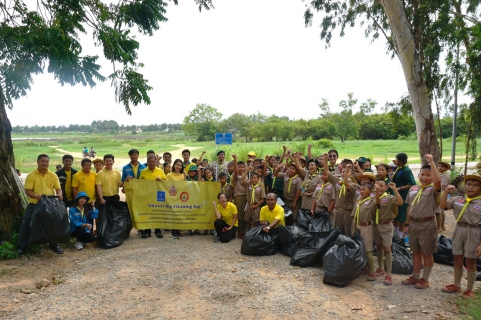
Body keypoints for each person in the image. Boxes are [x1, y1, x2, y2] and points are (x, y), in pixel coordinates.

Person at [401, 154, 441, 289]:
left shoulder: (432, 190)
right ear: (418, 175)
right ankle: (416, 276)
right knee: (415, 251)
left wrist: (432, 162)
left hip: (427, 224)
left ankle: (425, 279)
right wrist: (407, 224)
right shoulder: (413, 189)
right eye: (422, 174)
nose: (424, 177)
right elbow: (409, 207)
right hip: (413, 223)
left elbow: (438, 182)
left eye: (428, 175)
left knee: (426, 252)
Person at [440, 174, 481, 298]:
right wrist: (446, 191)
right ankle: (457, 285)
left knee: (470, 261)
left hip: (474, 231)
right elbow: (443, 206)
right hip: (459, 229)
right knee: (457, 257)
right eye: (469, 184)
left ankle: (469, 289)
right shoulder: (458, 199)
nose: (471, 188)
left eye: (475, 185)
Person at [17, 154, 64, 256]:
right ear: (37, 162)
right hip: (35, 203)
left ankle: (53, 245)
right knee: (26, 224)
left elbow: (58, 188)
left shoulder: (53, 175)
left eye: (47, 161)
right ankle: (21, 248)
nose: (45, 163)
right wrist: (36, 196)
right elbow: (28, 191)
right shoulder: (31, 175)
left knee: (53, 224)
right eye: (42, 161)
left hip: (50, 205)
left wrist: (60, 194)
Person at [372, 180, 404, 285]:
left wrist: (394, 189)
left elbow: (400, 203)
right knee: (379, 246)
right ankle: (381, 268)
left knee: (387, 248)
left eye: (382, 186)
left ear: (386, 188)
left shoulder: (389, 198)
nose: (379, 188)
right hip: (375, 225)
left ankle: (389, 274)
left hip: (386, 226)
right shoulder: (372, 196)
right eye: (377, 185)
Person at [349, 182, 379, 281]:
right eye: (360, 189)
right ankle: (364, 268)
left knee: (368, 250)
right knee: (359, 248)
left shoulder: (372, 201)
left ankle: (372, 272)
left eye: (364, 189)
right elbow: (354, 215)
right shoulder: (358, 200)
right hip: (357, 226)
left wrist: (377, 192)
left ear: (370, 192)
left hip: (366, 227)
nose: (361, 191)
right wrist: (353, 229)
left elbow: (378, 205)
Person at [323, 154, 359, 236]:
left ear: (352, 175)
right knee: (336, 233)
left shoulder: (354, 185)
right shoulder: (337, 181)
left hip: (347, 212)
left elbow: (346, 183)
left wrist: (346, 170)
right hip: (337, 211)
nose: (344, 173)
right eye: (342, 172)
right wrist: (325, 160)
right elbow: (327, 172)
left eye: (347, 172)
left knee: (347, 233)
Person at [137, 155, 167, 239]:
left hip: (158, 196)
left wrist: (161, 180)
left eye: (153, 161)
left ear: (156, 162)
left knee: (157, 212)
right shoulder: (143, 172)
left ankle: (158, 231)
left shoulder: (160, 171)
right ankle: (147, 231)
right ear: (147, 162)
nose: (152, 163)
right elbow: (140, 183)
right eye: (150, 162)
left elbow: (166, 182)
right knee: (147, 213)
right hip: (147, 196)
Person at [392, 152, 416, 239]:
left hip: (403, 194)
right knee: (396, 213)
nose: (395, 161)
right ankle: (396, 232)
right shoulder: (399, 168)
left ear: (401, 161)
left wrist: (400, 188)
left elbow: (412, 184)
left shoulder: (406, 170)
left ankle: (401, 234)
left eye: (397, 159)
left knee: (402, 214)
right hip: (396, 193)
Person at [95, 154, 122, 227]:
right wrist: (101, 198)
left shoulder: (117, 173)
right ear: (104, 162)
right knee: (104, 217)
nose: (109, 163)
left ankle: (113, 232)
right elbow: (99, 186)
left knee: (114, 215)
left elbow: (120, 185)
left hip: (115, 197)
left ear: (113, 162)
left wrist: (127, 181)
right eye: (107, 161)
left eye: (110, 161)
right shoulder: (100, 173)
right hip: (105, 198)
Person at [166, 159, 185, 239]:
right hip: (172, 197)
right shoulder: (169, 175)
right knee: (173, 213)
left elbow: (185, 185)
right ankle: (173, 231)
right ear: (174, 165)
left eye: (180, 165)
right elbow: (166, 185)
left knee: (179, 213)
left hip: (180, 198)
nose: (178, 167)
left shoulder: (182, 175)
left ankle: (177, 230)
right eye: (177, 165)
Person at [232, 155, 249, 239]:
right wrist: (235, 159)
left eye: (243, 167)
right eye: (240, 167)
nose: (241, 168)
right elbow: (235, 170)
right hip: (239, 196)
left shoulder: (246, 175)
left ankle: (244, 231)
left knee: (245, 214)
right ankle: (240, 232)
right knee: (240, 214)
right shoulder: (235, 175)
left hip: (246, 196)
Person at [435, 161, 451, 232]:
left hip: (441, 194)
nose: (440, 168)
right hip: (443, 194)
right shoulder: (442, 174)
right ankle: (442, 226)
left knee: (438, 211)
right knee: (441, 211)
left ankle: (439, 228)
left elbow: (442, 186)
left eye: (442, 167)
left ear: (446, 168)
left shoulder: (444, 176)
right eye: (439, 166)